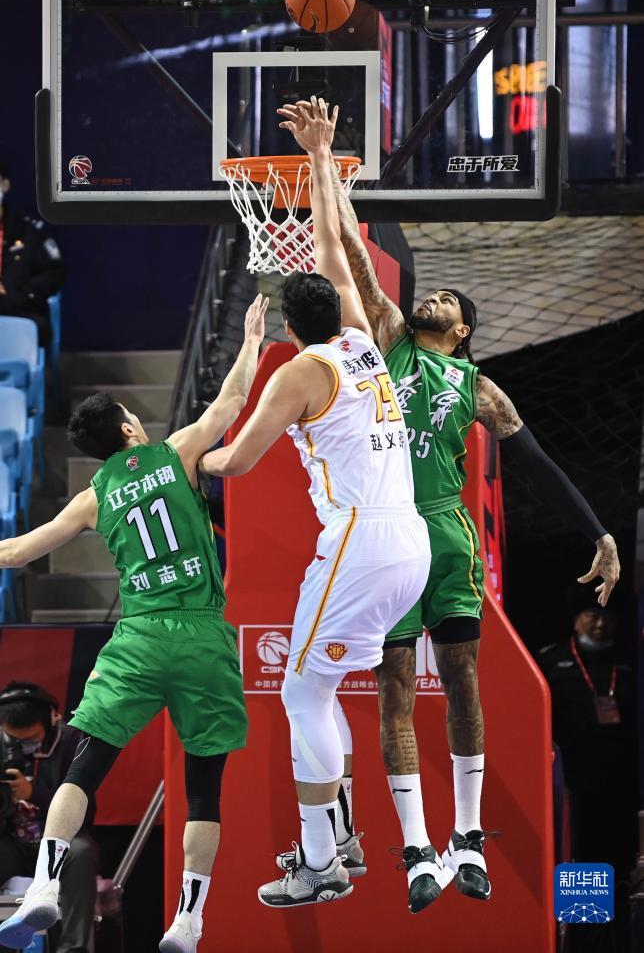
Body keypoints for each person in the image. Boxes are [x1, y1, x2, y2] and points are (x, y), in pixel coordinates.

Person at [276, 98, 621, 911]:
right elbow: (348, 255)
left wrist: (599, 532)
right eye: (433, 294)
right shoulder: (389, 337)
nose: (434, 298)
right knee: (395, 684)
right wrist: (327, 166)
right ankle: (415, 847)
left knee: (462, 676)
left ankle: (467, 834)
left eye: (449, 300)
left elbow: (538, 464)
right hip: (391, 530)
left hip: (443, 531)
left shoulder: (479, 387)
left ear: (463, 329)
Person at [199, 100, 433, 910]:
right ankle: (342, 838)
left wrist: (194, 452)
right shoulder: (362, 340)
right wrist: (323, 157)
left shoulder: (299, 370)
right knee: (319, 691)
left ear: (290, 327)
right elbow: (334, 246)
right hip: (408, 545)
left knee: (301, 694)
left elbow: (237, 459)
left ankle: (320, 861)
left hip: (362, 545)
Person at [0, 294, 268, 953]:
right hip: (202, 636)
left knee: (81, 769)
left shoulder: (92, 498)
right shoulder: (178, 452)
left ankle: (43, 887)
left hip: (139, 639)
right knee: (204, 789)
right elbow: (233, 401)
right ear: (127, 429)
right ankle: (188, 922)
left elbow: (16, 552)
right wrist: (251, 342)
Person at [539, 605, 637, 952]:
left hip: (620, 783)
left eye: (606, 616)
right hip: (574, 784)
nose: (599, 623)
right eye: (591, 615)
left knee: (620, 862)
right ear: (575, 618)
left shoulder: (628, 661)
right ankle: (583, 939)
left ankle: (619, 939)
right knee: (582, 858)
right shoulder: (551, 662)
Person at [0, 681, 98, 953]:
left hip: (59, 841)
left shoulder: (72, 742)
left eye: (30, 738)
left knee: (82, 850)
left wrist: (33, 793)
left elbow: (87, 810)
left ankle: (74, 949)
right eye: (14, 739)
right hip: (10, 841)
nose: (22, 746)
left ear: (50, 721)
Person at [0, 161, 65, 346]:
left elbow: (54, 273)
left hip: (18, 312)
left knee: (33, 329)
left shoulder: (30, 233)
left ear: (5, 185)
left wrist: (19, 296)